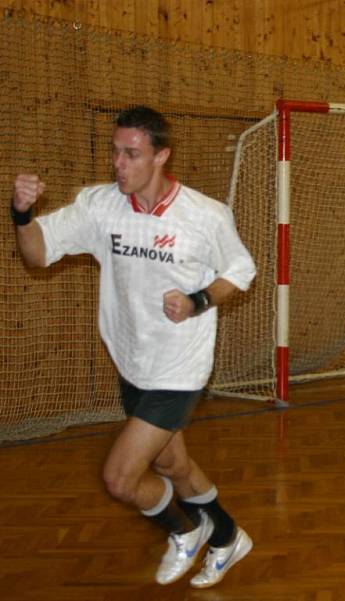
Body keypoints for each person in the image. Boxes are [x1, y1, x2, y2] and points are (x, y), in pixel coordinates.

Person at [11, 106, 257, 586]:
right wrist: (21, 213)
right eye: (115, 152)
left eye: (131, 154)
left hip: (179, 370)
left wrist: (198, 299)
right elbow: (38, 254)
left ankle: (184, 531)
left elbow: (240, 270)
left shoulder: (204, 215)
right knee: (172, 463)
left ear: (161, 155)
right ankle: (228, 535)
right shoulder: (100, 206)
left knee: (121, 478)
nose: (118, 164)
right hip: (132, 361)